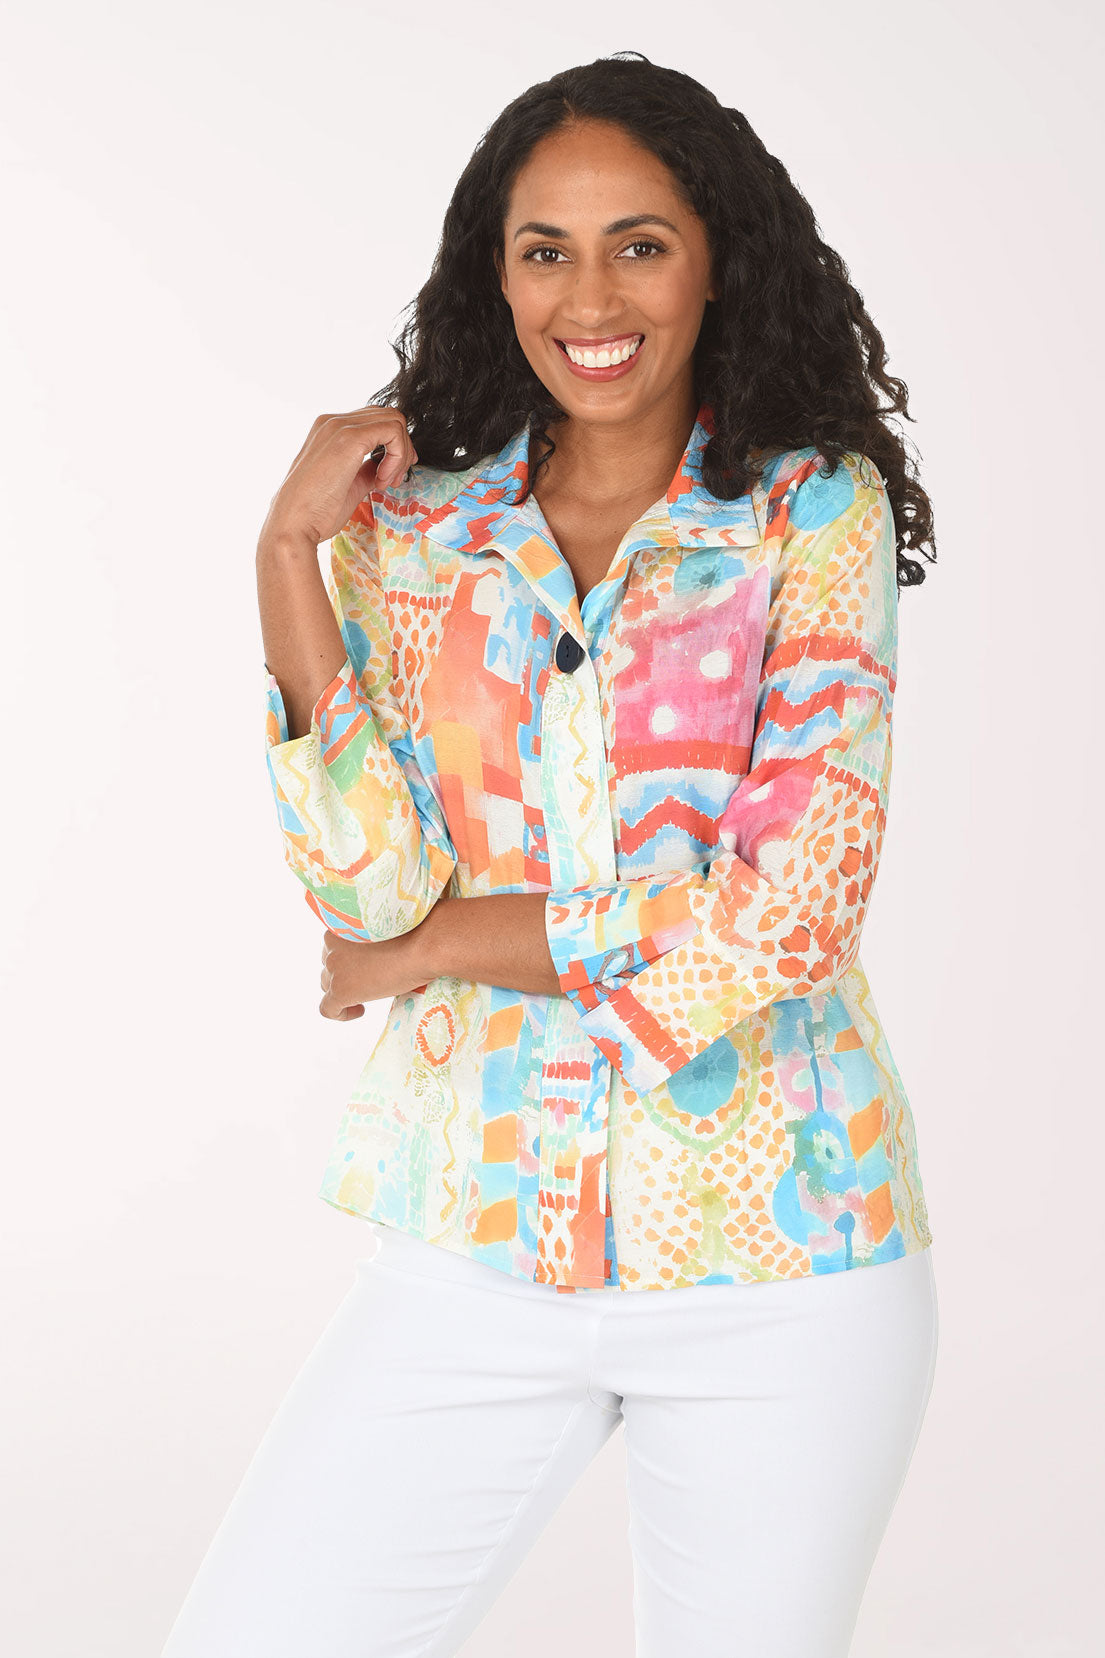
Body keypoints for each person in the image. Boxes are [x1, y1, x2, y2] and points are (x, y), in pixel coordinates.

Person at [161, 50, 940, 1658]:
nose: (590, 293)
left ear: (717, 256)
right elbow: (362, 891)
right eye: (545, 249)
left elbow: (786, 908)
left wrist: (447, 948)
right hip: (476, 1233)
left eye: (638, 242)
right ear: (493, 272)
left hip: (782, 1251)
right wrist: (286, 552)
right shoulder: (419, 531)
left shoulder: (811, 512)